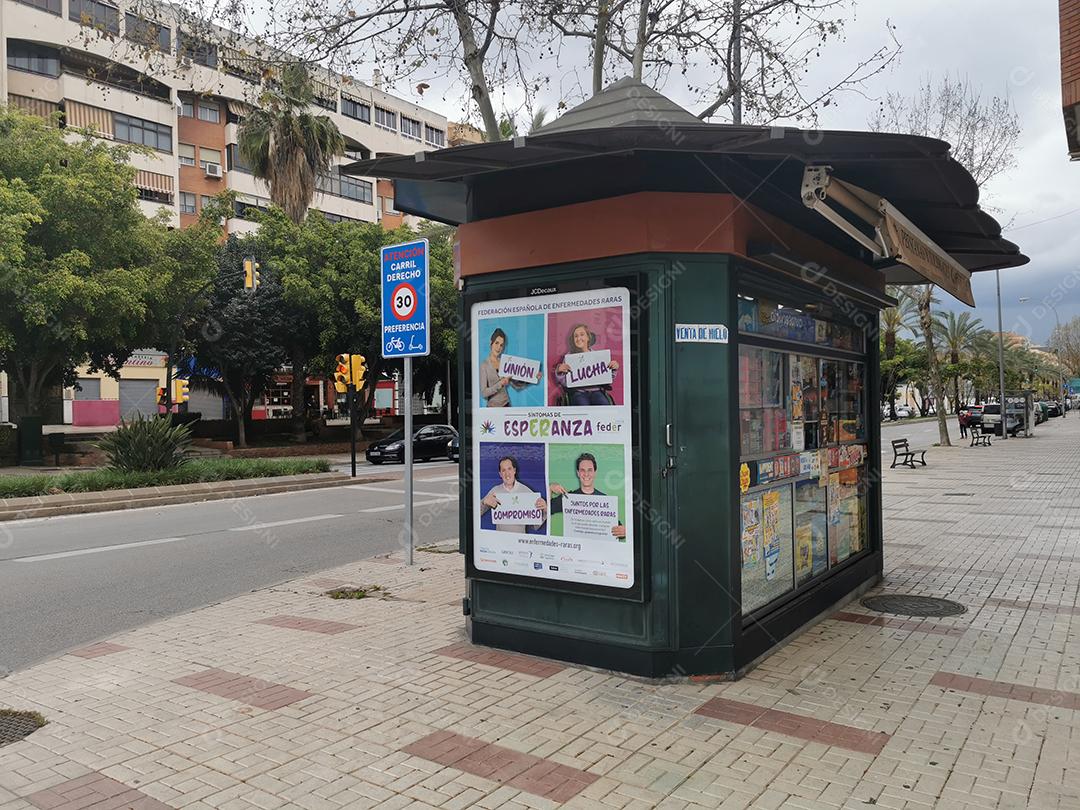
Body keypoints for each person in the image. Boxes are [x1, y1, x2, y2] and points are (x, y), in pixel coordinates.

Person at [549, 452, 625, 539]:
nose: (586, 474)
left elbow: (619, 532)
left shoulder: (605, 500)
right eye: (582, 470)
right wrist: (550, 488)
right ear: (578, 473)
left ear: (595, 472)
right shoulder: (569, 498)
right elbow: (547, 510)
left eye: (589, 470)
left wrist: (624, 531)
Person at [553, 323, 620, 406]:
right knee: (582, 405)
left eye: (582, 335)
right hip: (578, 392)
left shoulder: (598, 356)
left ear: (588, 337)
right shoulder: (569, 357)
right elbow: (564, 382)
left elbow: (607, 378)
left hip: (596, 391)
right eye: (576, 336)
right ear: (573, 340)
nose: (579, 338)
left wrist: (613, 369)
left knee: (604, 404)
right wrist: (560, 372)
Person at [480, 456, 547, 533]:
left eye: (509, 469)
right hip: (500, 539)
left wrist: (545, 510)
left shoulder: (526, 492)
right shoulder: (495, 491)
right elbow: (477, 513)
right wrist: (484, 502)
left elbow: (535, 526)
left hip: (519, 539)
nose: (507, 473)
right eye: (503, 470)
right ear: (500, 474)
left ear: (514, 470)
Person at [479, 328, 532, 407]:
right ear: (491, 343)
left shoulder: (504, 363)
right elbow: (484, 393)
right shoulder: (484, 365)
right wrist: (500, 384)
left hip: (506, 405)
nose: (498, 347)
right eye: (497, 343)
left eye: (501, 345)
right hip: (492, 408)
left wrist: (532, 378)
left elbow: (516, 385)